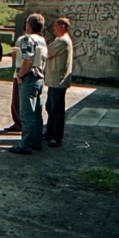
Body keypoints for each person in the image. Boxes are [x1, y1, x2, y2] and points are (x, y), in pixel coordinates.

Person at [8, 13, 48, 155]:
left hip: (29, 78)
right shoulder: (42, 40)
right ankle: (37, 141)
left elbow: (28, 59)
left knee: (26, 114)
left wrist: (20, 74)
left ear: (29, 25)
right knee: (37, 113)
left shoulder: (28, 39)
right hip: (40, 78)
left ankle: (26, 144)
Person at [43, 17, 73, 147]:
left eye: (55, 26)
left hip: (58, 81)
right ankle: (49, 133)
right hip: (54, 80)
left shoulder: (62, 41)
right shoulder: (60, 40)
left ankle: (56, 136)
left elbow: (47, 52)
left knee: (57, 110)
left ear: (62, 26)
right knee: (50, 107)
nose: (53, 28)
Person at [4, 38, 23, 133]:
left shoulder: (22, 40)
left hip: (20, 73)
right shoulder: (41, 40)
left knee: (16, 100)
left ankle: (18, 123)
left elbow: (14, 56)